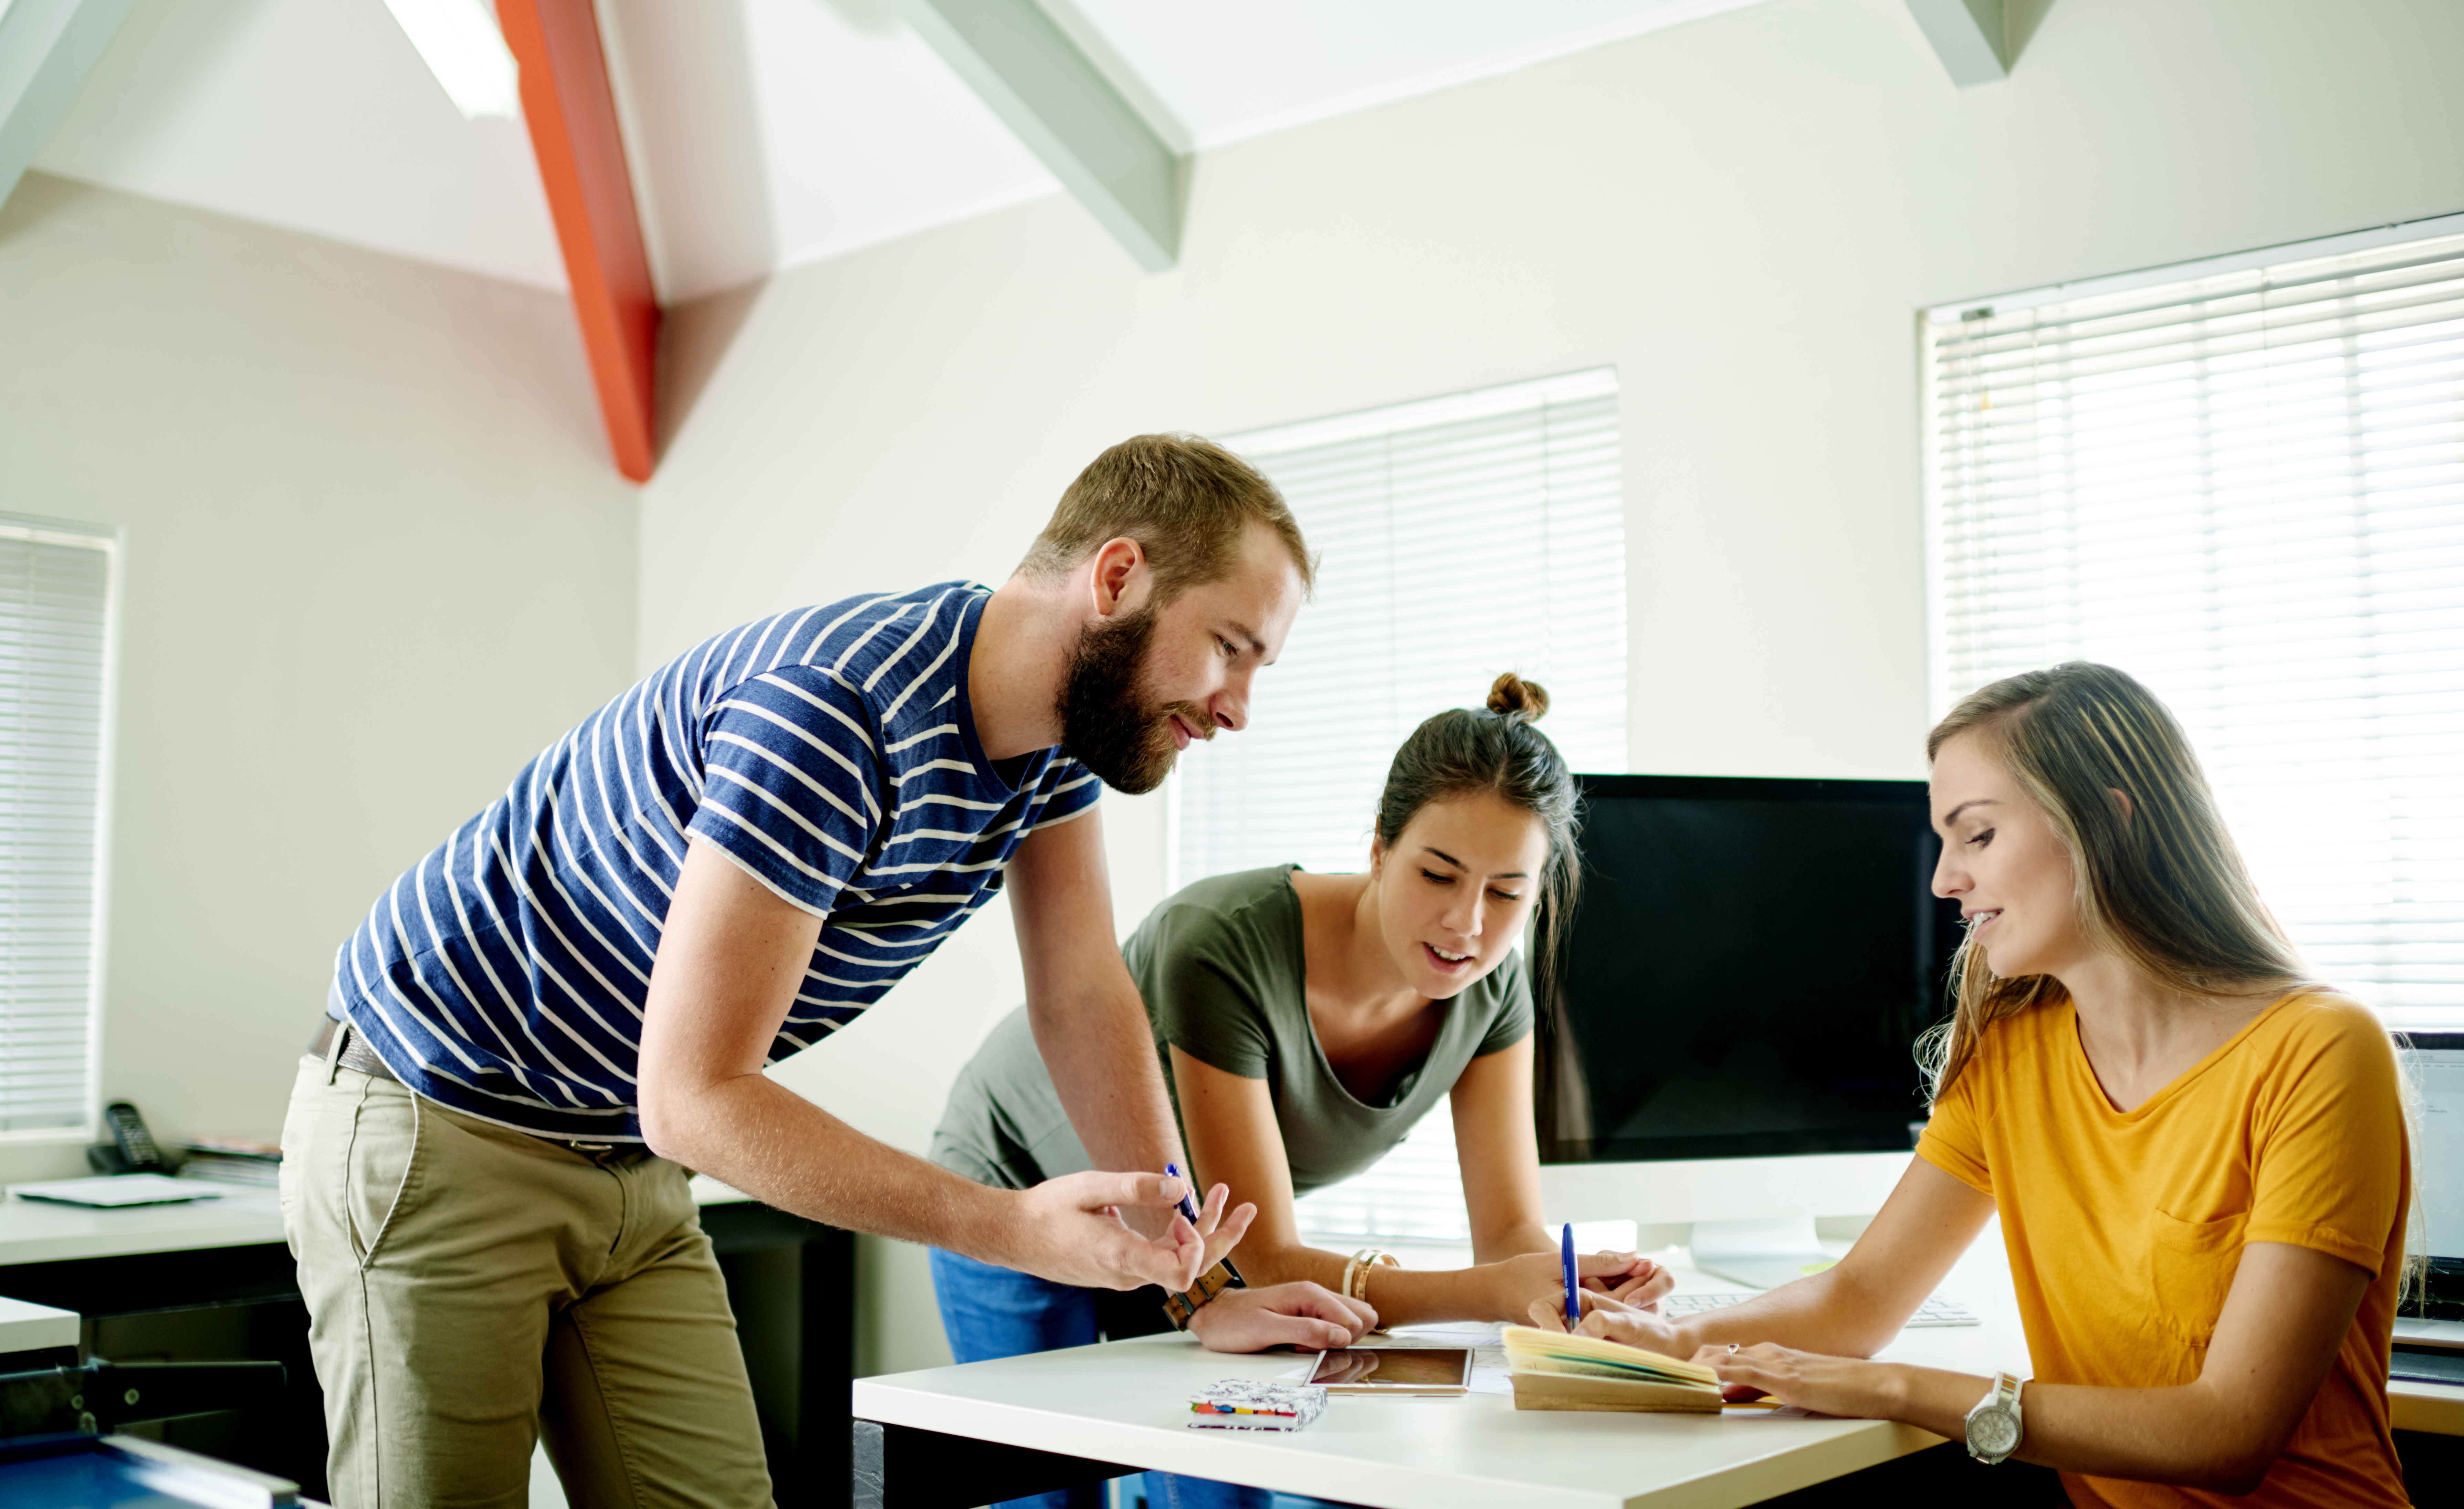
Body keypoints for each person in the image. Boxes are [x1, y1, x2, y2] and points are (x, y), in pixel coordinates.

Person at [280, 435, 1379, 1509]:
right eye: (1229, 646)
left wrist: (1195, 1284)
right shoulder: (835, 710)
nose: (1237, 705)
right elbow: (697, 1095)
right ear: (1117, 576)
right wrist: (1005, 1224)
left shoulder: (1050, 747)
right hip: (437, 1121)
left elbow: (1082, 995)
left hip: (627, 1155)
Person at [1530, 662, 2412, 1508]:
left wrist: (1897, 1386)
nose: (1944, 880)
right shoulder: (2014, 1053)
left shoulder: (2320, 1050)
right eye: (1945, 840)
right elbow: (1859, 1296)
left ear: (2110, 824)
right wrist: (1676, 1341)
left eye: (1978, 835)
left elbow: (2227, 1432)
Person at [931, 673, 1666, 1509]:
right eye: (1438, 874)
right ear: (1380, 848)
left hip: (1193, 1231)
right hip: (1023, 1180)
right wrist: (1485, 1291)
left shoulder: (1495, 988)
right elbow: (1266, 1258)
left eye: (1507, 893)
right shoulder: (1219, 945)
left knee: (1232, 1493)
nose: (1468, 923)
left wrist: (1567, 1292)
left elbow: (1506, 1230)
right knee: (1049, 1494)